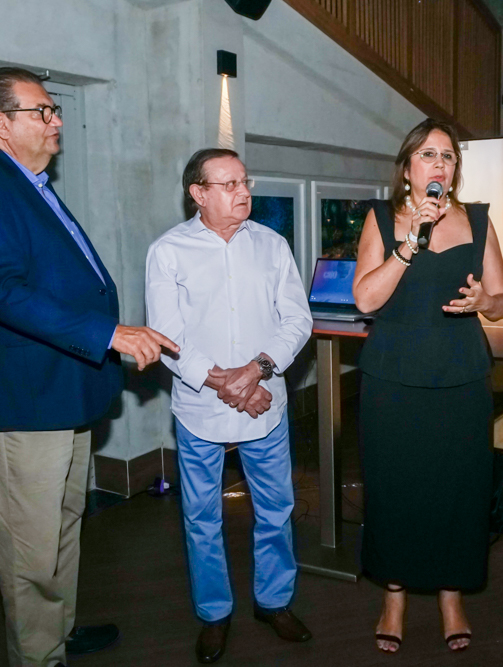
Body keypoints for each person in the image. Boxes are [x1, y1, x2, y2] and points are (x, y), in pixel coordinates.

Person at [0, 67, 179, 667]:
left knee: (63, 524)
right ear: (1, 124)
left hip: (60, 391)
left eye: (54, 110)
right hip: (23, 400)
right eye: (42, 111)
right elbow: (2, 291)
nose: (56, 121)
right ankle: (38, 656)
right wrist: (109, 333)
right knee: (30, 549)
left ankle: (59, 631)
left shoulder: (28, 184)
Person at [145, 148, 314, 664]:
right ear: (198, 193)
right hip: (200, 410)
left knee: (276, 509)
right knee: (201, 518)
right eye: (228, 184)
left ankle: (274, 601)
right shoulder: (168, 251)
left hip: (266, 405)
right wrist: (230, 383)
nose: (243, 192)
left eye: (244, 182)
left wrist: (257, 370)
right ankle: (214, 614)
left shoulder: (272, 245)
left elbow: (298, 320)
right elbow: (167, 335)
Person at [352, 118, 503, 654]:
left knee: (459, 488)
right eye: (427, 154)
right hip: (394, 377)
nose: (439, 163)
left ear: (455, 168)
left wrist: (484, 303)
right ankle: (393, 597)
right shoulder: (381, 219)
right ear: (407, 169)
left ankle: (452, 596)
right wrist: (408, 245)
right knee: (395, 486)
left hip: (460, 375)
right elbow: (365, 299)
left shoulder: (478, 220)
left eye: (447, 155)